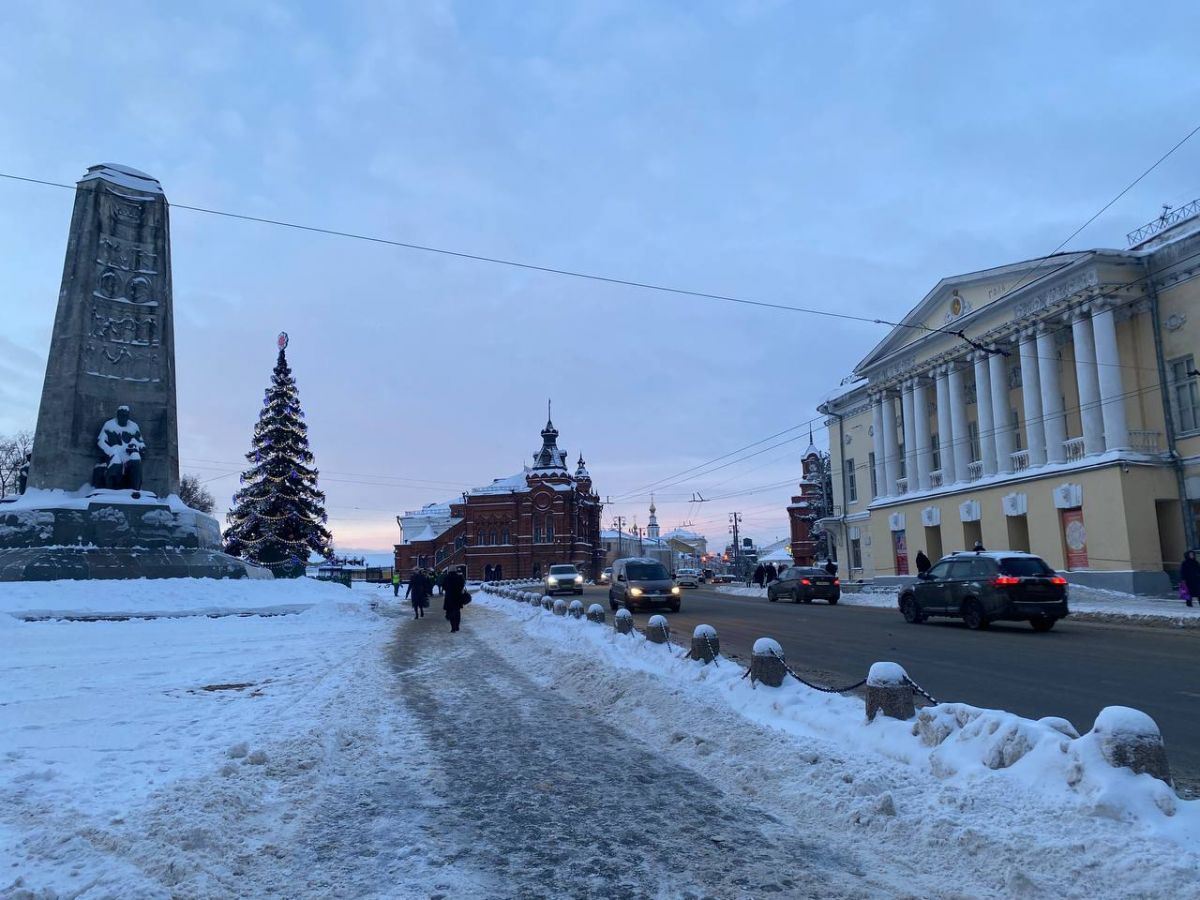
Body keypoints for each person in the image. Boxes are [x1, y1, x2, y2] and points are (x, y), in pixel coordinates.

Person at [97, 404, 145, 495]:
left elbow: (142, 444)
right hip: (114, 453)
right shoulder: (109, 425)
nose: (124, 418)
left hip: (128, 454)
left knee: (136, 458)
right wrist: (111, 452)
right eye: (122, 415)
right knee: (116, 462)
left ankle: (135, 491)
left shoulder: (133, 427)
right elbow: (101, 442)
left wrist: (136, 446)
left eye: (126, 416)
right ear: (118, 415)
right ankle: (110, 492)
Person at [442, 566, 467, 633]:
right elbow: (462, 585)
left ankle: (453, 628)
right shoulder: (459, 577)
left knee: (451, 613)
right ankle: (457, 626)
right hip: (458, 597)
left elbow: (444, 587)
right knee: (457, 612)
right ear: (455, 570)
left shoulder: (447, 578)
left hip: (449, 598)